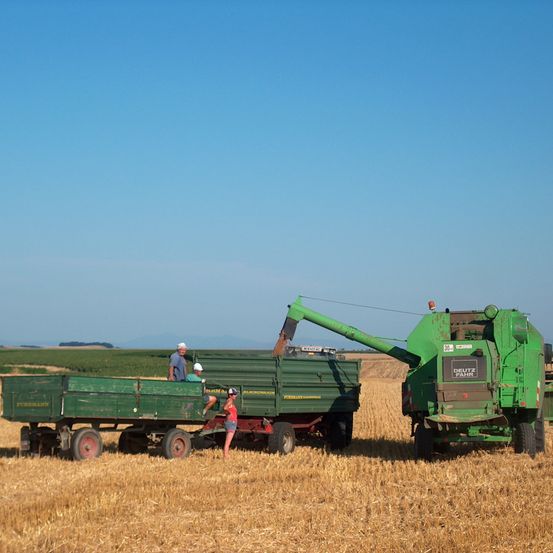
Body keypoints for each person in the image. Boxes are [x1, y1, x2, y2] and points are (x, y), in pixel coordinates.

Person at [223, 387, 239, 459]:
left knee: (227, 441)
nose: (235, 395)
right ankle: (226, 456)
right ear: (230, 395)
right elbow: (225, 408)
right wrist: (229, 413)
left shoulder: (229, 401)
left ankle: (226, 455)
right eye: (234, 394)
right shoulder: (230, 401)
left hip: (229, 422)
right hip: (231, 423)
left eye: (235, 394)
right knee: (227, 442)